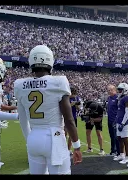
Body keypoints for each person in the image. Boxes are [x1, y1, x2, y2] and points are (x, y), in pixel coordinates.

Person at [14, 45, 82, 174]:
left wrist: (30, 139)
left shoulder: (20, 85)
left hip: (33, 137)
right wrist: (77, 146)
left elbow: (23, 119)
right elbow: (69, 119)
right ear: (50, 61)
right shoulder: (58, 82)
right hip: (54, 137)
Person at [114, 83, 128, 164]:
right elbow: (119, 110)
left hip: (124, 122)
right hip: (119, 120)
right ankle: (122, 154)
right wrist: (116, 120)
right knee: (119, 138)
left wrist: (123, 123)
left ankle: (127, 157)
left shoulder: (127, 98)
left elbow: (127, 112)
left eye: (121, 89)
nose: (119, 91)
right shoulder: (120, 98)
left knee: (125, 139)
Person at [66, 86, 81, 155]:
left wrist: (76, 105)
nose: (74, 95)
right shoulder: (66, 98)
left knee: (72, 134)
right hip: (66, 117)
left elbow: (78, 109)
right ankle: (62, 149)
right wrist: (71, 104)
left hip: (73, 117)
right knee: (64, 133)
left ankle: (68, 149)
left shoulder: (76, 98)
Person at [107, 84, 120, 157]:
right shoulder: (109, 98)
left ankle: (118, 152)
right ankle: (113, 150)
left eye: (111, 90)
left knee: (116, 136)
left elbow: (119, 110)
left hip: (115, 120)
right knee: (112, 136)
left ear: (114, 90)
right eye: (108, 90)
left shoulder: (117, 98)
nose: (109, 91)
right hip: (109, 119)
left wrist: (116, 119)